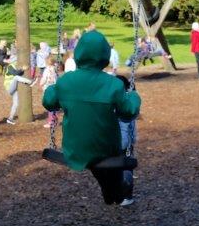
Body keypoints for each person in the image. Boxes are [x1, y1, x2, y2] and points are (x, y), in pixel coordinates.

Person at [42, 31, 141, 206]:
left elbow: (49, 102)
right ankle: (118, 189)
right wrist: (134, 96)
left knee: (102, 171)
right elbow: (128, 113)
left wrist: (53, 89)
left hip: (75, 149)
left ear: (79, 54)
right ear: (105, 56)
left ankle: (113, 193)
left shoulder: (66, 81)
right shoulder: (114, 84)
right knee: (110, 170)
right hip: (106, 148)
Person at [115, 75, 138, 206]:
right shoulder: (129, 102)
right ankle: (126, 195)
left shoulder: (109, 102)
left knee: (116, 167)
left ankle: (119, 193)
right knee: (126, 167)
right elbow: (132, 126)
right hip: (124, 142)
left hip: (111, 141)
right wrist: (133, 140)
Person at [3, 59, 34, 125]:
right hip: (9, 88)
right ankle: (30, 82)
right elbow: (16, 73)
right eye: (15, 61)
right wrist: (23, 69)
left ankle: (10, 119)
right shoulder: (10, 66)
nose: (16, 62)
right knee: (16, 77)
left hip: (14, 88)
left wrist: (22, 69)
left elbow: (19, 72)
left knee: (16, 103)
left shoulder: (14, 67)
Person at [38, 56, 59, 128]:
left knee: (49, 106)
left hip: (48, 89)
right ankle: (54, 120)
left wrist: (41, 83)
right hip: (55, 88)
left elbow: (44, 78)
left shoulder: (47, 69)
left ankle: (51, 122)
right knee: (54, 105)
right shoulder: (55, 69)